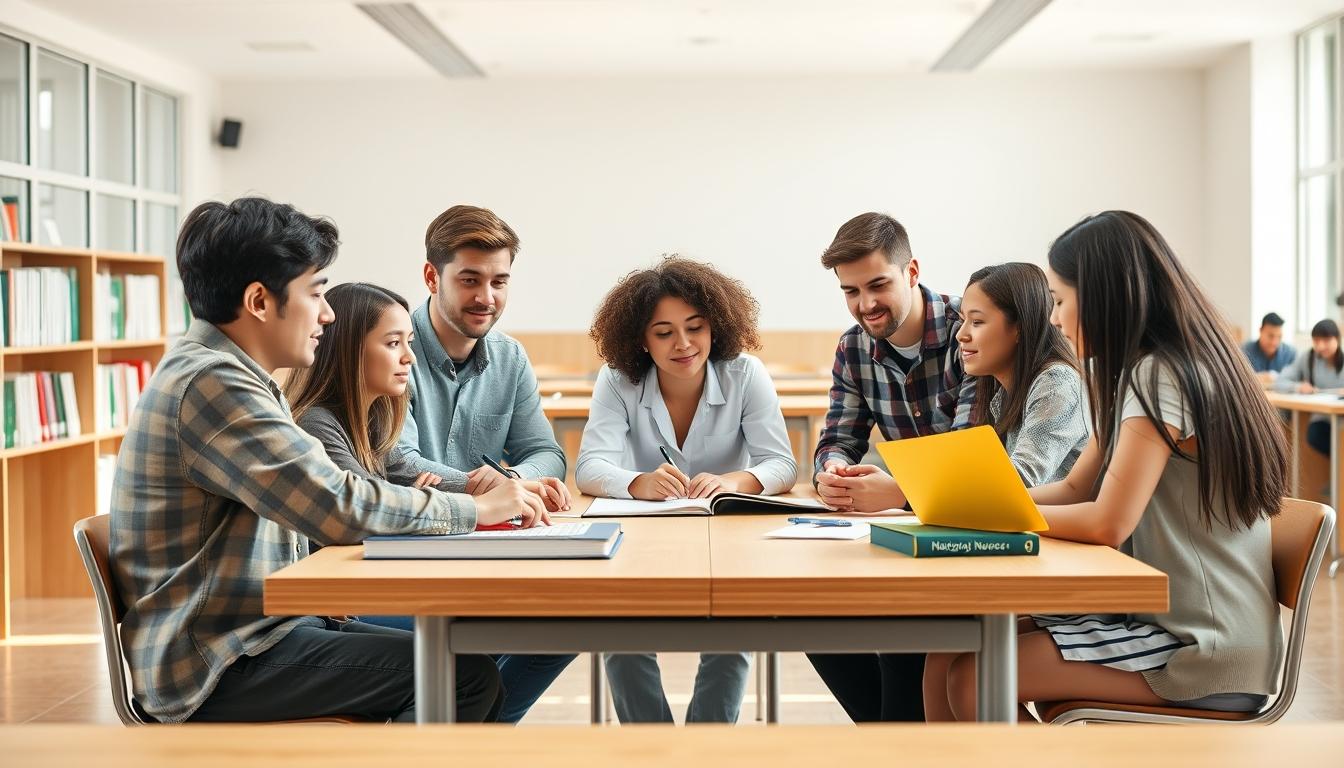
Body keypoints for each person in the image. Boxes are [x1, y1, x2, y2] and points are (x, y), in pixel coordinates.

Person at [110, 197, 546, 725]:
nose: (328, 312)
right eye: (315, 292)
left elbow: (320, 499)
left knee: (465, 663)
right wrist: (475, 509)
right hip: (220, 659)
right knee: (461, 677)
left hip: (259, 631)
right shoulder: (214, 384)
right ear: (259, 301)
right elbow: (337, 503)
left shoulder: (228, 375)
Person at [925, 210, 1288, 721]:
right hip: (1162, 621)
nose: (1053, 318)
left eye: (1060, 301)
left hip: (1203, 644)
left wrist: (992, 517)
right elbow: (1076, 488)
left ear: (1103, 299)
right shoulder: (1130, 375)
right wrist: (970, 506)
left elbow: (1106, 522)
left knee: (972, 679)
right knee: (947, 654)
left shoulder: (1162, 376)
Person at [576, 256, 796, 723]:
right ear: (641, 339)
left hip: (728, 537)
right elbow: (590, 467)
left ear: (715, 326)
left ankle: (705, 748)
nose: (683, 344)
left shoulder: (745, 374)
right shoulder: (618, 380)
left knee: (734, 632)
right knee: (621, 634)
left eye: (695, 327)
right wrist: (639, 482)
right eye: (664, 332)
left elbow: (781, 464)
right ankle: (653, 746)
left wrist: (733, 482)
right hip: (638, 538)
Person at [805, 212, 976, 723]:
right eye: (850, 292)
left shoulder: (969, 328)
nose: (865, 304)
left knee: (902, 638)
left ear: (912, 271)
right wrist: (832, 473)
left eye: (877, 284)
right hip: (909, 533)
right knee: (808, 616)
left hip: (971, 528)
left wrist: (901, 491)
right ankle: (892, 740)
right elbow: (839, 436)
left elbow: (967, 456)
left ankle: (895, 741)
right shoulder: (853, 347)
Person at [397, 203, 572, 512]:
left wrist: (515, 478)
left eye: (499, 282)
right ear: (431, 277)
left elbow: (545, 453)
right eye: (470, 280)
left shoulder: (511, 358)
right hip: (411, 533)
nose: (487, 298)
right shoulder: (393, 349)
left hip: (489, 533)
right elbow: (399, 462)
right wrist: (493, 491)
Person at [956, 262, 1088, 486]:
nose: (961, 334)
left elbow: (1020, 479)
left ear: (1019, 327)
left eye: (977, 322)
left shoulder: (1057, 382)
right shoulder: (1005, 393)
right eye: (962, 320)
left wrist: (908, 491)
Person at [1275, 318, 1344, 459]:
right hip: (1322, 418)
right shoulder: (1308, 358)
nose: (1321, 346)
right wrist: (1298, 387)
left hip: (1341, 417)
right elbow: (1280, 381)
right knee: (1314, 435)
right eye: (1317, 341)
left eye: (1326, 341)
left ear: (1337, 339)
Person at [1242, 312, 1296, 384]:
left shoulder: (1290, 353)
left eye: (1279, 337)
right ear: (1261, 331)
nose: (1274, 342)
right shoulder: (1245, 351)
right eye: (1271, 336)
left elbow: (1296, 379)